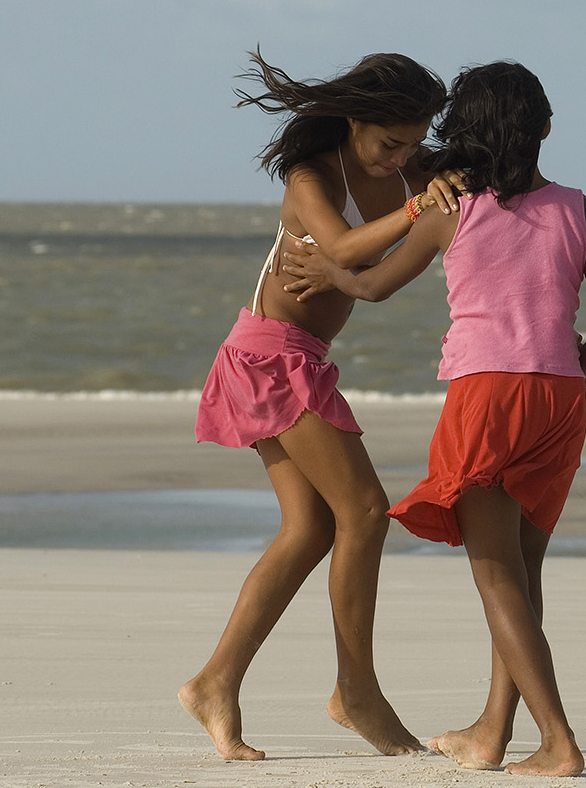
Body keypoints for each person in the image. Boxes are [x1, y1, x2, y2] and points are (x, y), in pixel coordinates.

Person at [283, 61, 586, 777]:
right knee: (523, 573)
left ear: (457, 139)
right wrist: (562, 369)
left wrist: (329, 275)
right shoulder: (579, 207)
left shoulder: (452, 209)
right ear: (545, 130)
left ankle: (558, 742)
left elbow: (375, 284)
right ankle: (491, 732)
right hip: (563, 399)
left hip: (486, 397)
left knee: (495, 577)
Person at [181, 49, 451, 761]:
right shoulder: (312, 176)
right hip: (269, 356)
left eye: (416, 144)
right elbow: (342, 245)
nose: (402, 157)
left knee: (308, 530)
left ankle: (215, 681)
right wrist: (418, 205)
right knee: (363, 512)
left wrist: (440, 178)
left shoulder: (410, 172)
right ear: (354, 120)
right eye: (391, 142)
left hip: (299, 358)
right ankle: (356, 691)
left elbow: (450, 197)